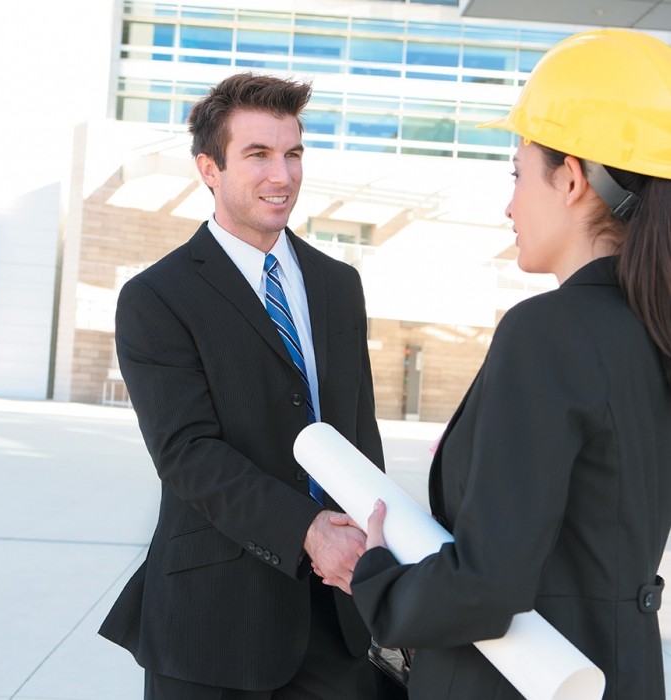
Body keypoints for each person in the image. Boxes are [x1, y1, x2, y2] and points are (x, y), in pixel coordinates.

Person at [350, 28, 671, 700]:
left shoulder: (549, 332)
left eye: (517, 173)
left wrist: (374, 574)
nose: (509, 204)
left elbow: (486, 586)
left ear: (574, 179)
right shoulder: (652, 332)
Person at [98, 72, 387, 699]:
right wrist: (306, 530)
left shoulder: (340, 285)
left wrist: (384, 554)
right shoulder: (157, 297)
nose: (281, 176)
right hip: (212, 626)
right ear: (209, 168)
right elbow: (187, 454)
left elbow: (359, 436)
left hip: (337, 621)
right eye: (257, 154)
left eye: (293, 153)